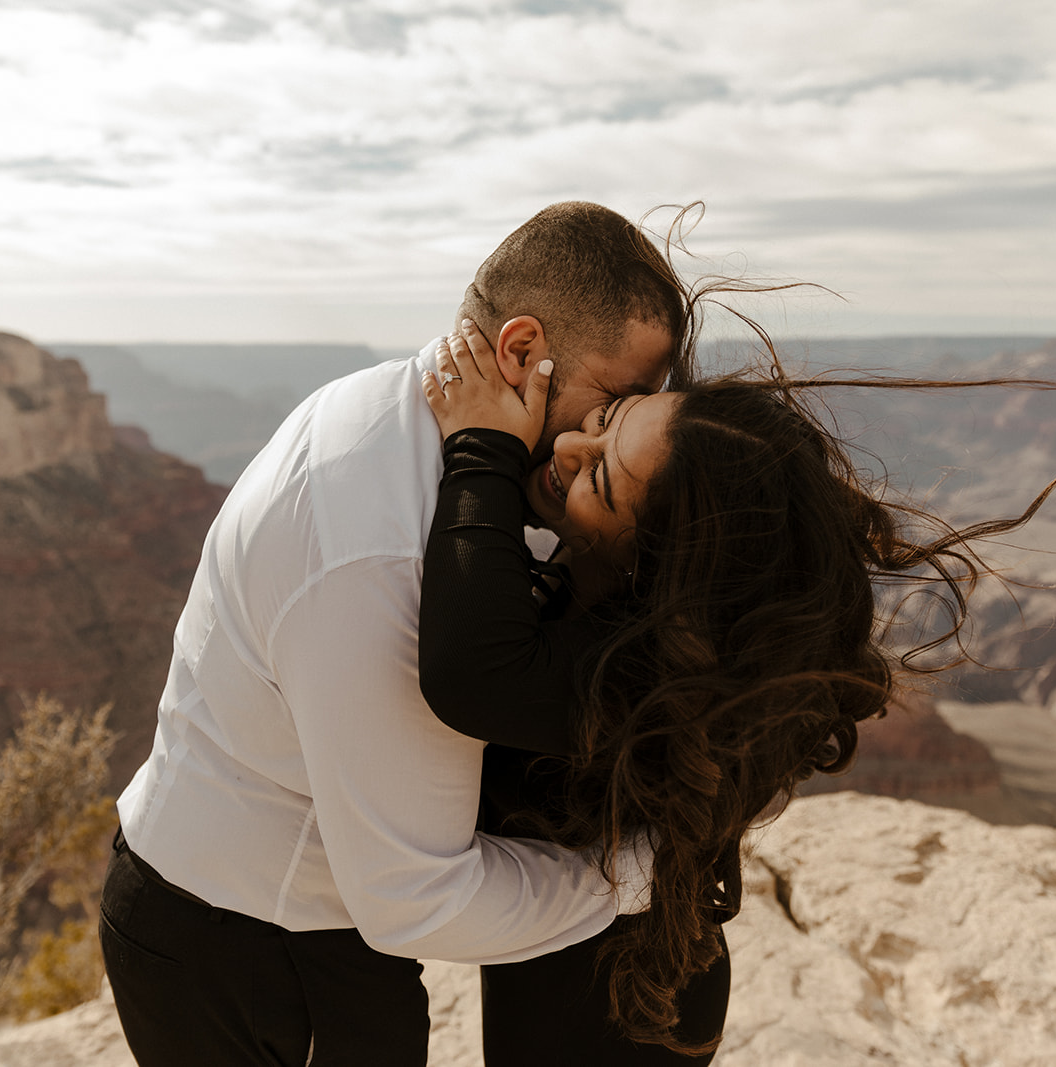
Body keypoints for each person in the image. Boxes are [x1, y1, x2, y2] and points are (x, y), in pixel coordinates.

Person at [99, 202, 694, 1067]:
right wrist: (636, 874)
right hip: (249, 946)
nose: (603, 435)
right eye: (614, 398)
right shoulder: (376, 550)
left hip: (301, 927)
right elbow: (413, 897)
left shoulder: (435, 431)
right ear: (522, 353)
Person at [416, 322, 1056, 1062]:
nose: (571, 448)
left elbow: (470, 669)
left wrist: (480, 450)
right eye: (606, 416)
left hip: (623, 1024)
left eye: (600, 481)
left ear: (653, 570)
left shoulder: (633, 682)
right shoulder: (607, 610)